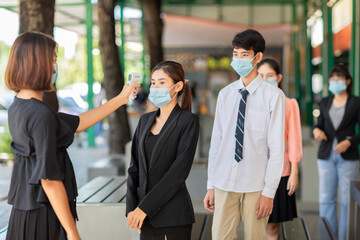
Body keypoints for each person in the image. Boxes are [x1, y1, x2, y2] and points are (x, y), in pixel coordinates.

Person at [4, 31, 139, 240]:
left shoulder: (19, 106)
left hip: (24, 212)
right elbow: (49, 179)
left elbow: (79, 123)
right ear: (38, 63)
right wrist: (72, 231)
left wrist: (120, 99)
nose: (54, 68)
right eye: (53, 60)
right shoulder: (40, 115)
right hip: (43, 215)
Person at [203, 29, 286, 240]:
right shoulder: (225, 94)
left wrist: (269, 192)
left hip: (256, 185)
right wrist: (210, 185)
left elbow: (276, 148)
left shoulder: (274, 96)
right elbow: (217, 142)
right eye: (235, 54)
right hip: (223, 182)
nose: (238, 59)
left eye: (244, 54)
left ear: (257, 57)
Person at [126, 61, 200, 240]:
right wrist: (132, 209)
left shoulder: (188, 121)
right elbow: (134, 168)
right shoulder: (144, 121)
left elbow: (178, 173)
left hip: (172, 216)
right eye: (153, 82)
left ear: (178, 86)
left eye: (162, 82)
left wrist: (144, 208)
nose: (155, 87)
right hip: (145, 218)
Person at [313, 64, 360, 240]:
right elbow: (319, 125)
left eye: (339, 79)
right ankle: (327, 236)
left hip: (347, 157)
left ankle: (344, 237)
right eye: (332, 79)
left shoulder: (356, 102)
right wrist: (316, 131)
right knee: (326, 199)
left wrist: (349, 142)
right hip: (325, 155)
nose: (335, 82)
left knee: (347, 201)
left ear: (347, 81)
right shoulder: (325, 101)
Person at [258, 59, 303, 240]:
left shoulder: (289, 104)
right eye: (261, 76)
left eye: (269, 76)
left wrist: (294, 172)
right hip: (254, 171)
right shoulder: (250, 103)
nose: (265, 79)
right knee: (255, 223)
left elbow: (294, 139)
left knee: (272, 225)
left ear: (278, 77)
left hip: (280, 172)